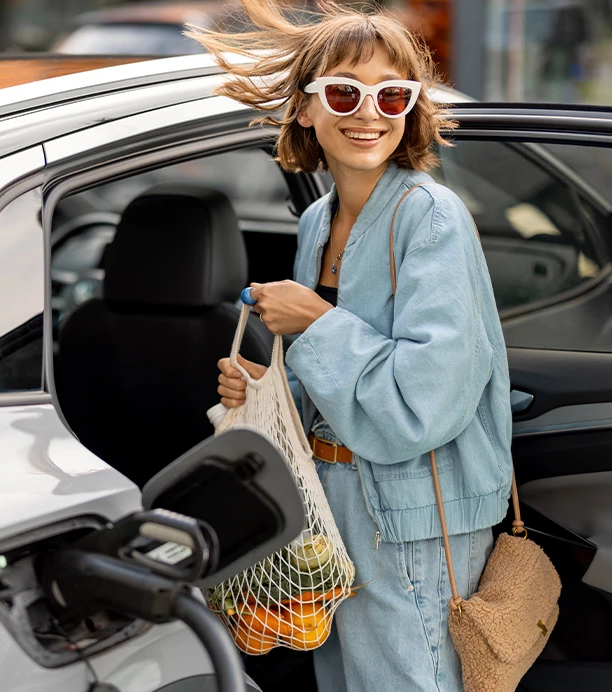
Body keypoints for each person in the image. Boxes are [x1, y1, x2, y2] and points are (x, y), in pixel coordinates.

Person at [190, 3, 513, 691]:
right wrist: (268, 387)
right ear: (306, 110)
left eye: (392, 94)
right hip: (331, 509)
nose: (369, 112)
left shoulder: (431, 218)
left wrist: (316, 325)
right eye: (344, 92)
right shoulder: (317, 219)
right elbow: (339, 384)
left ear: (411, 111)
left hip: (413, 523)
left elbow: (423, 401)